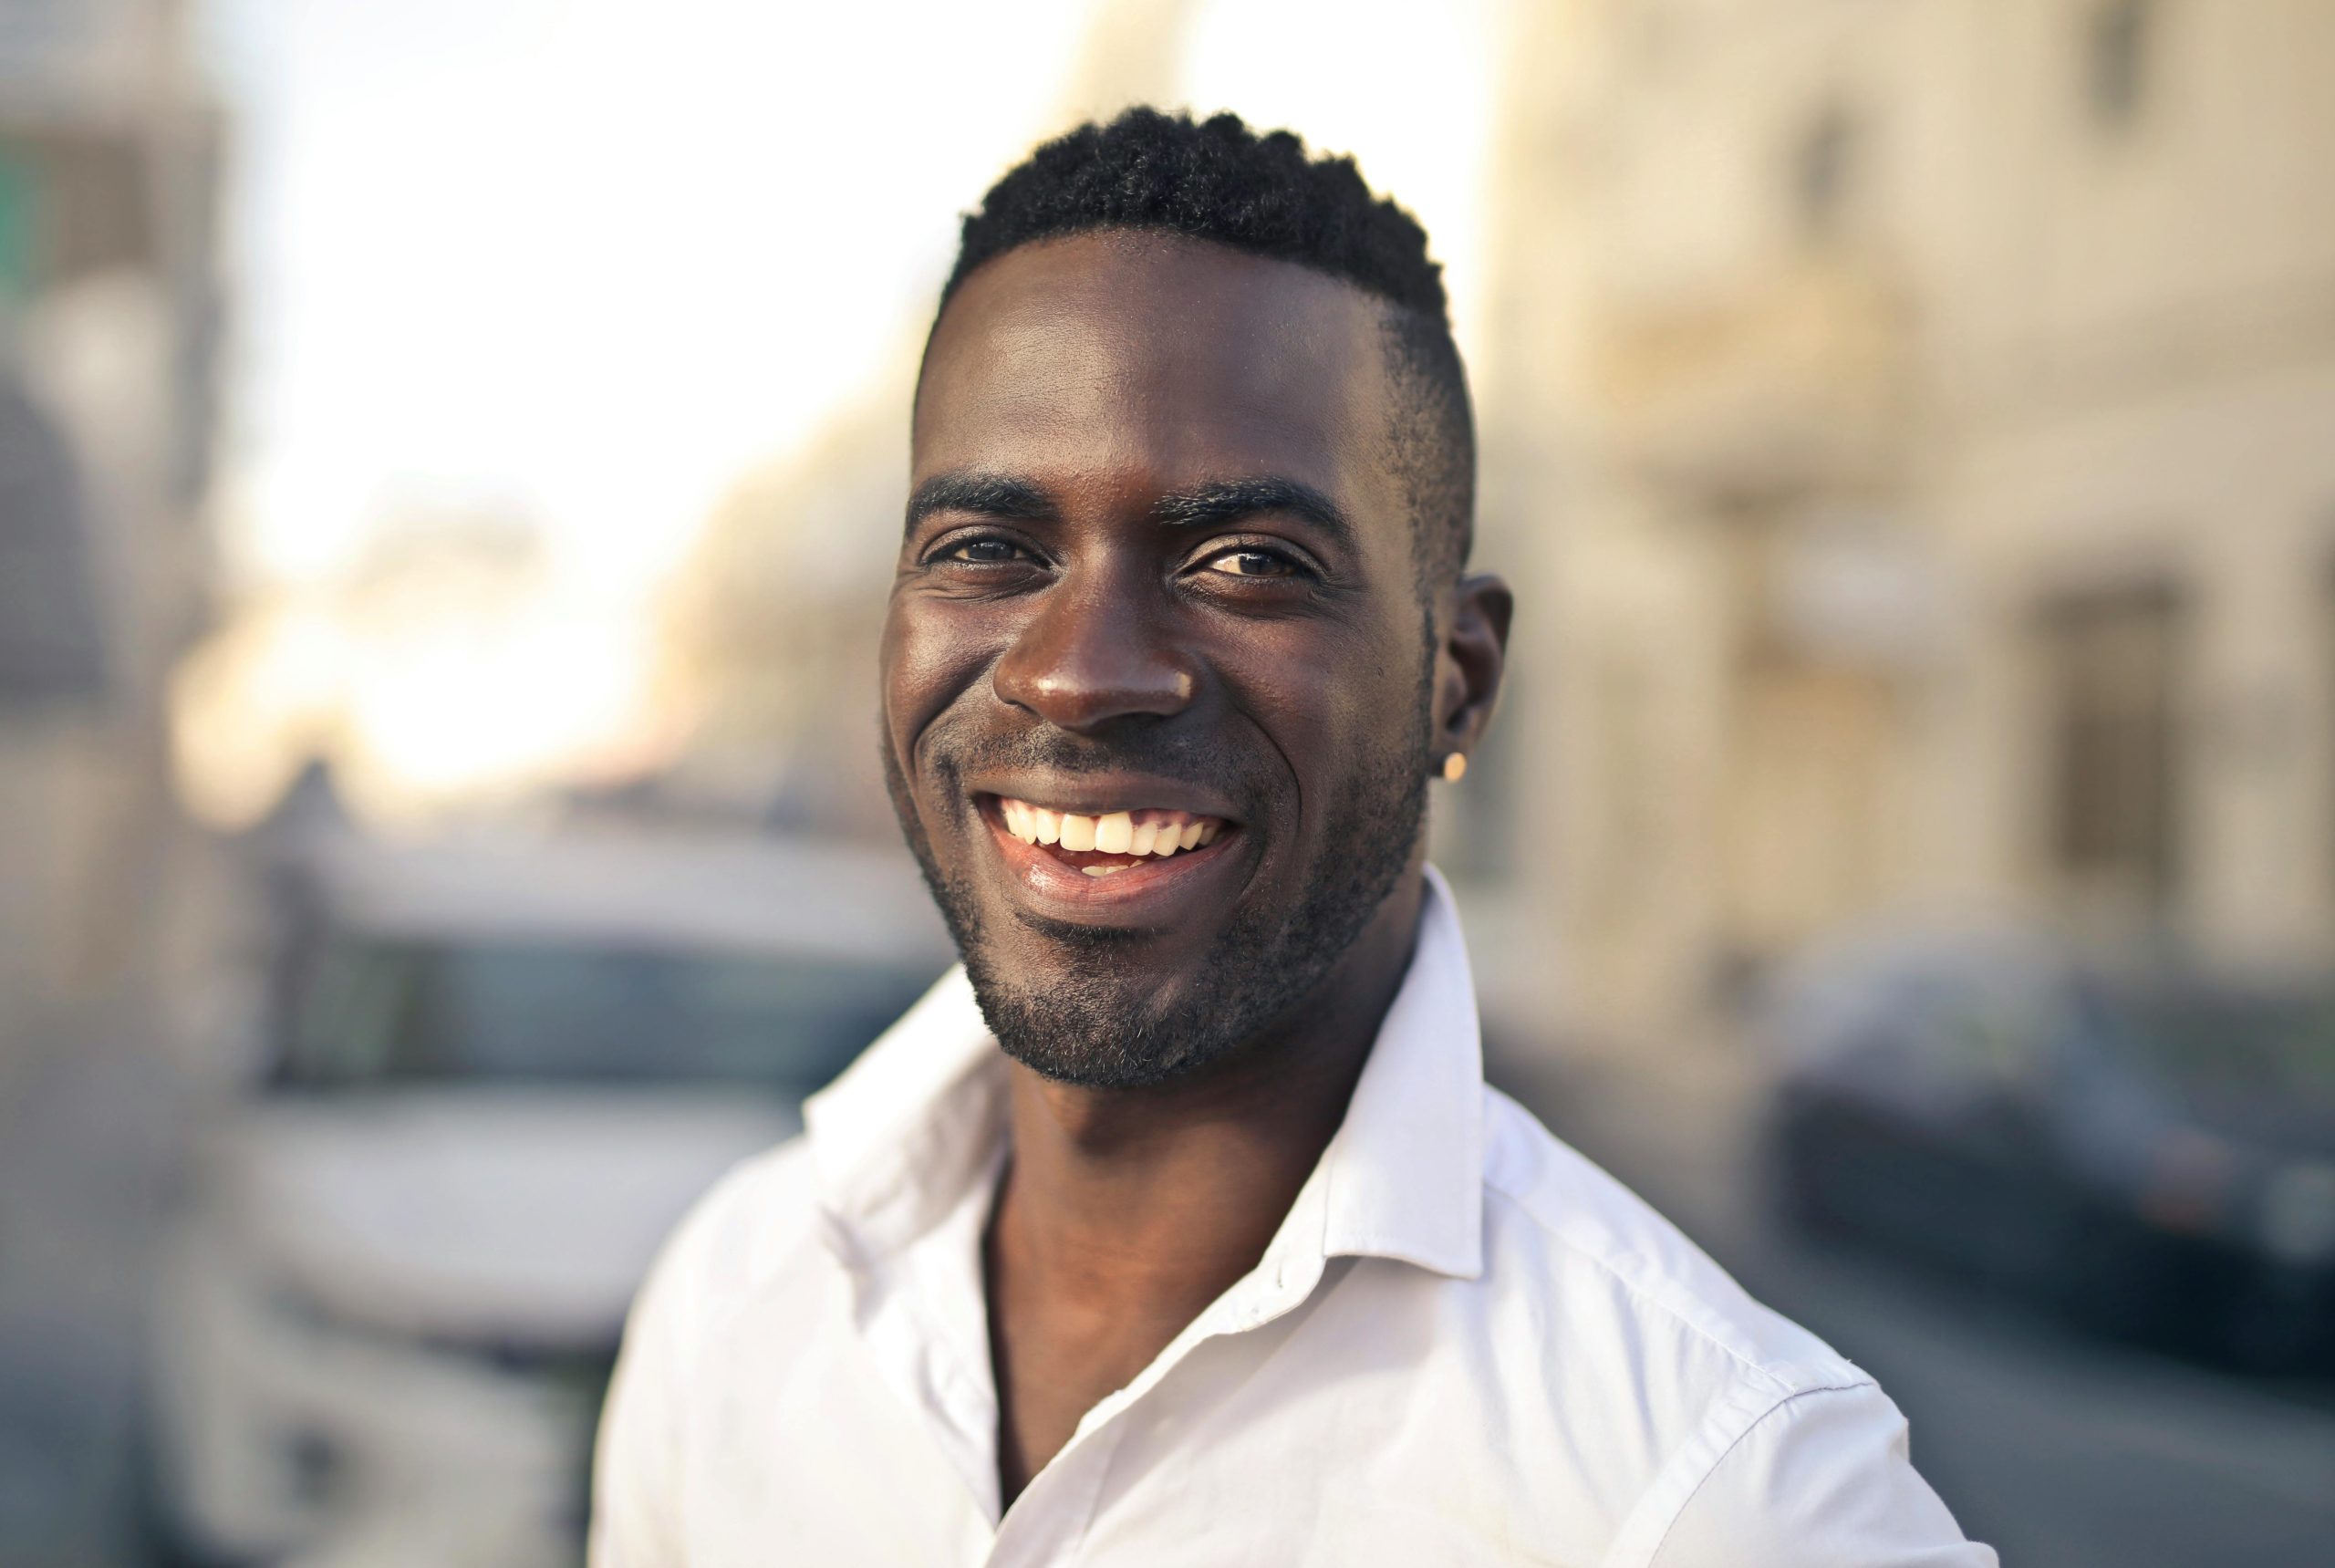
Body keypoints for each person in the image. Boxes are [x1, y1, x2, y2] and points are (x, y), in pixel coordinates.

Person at [591, 108, 1995, 1567]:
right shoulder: (736, 1299)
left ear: (1459, 678)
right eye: (987, 550)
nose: (1077, 671)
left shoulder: (1725, 1497)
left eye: (1248, 563)